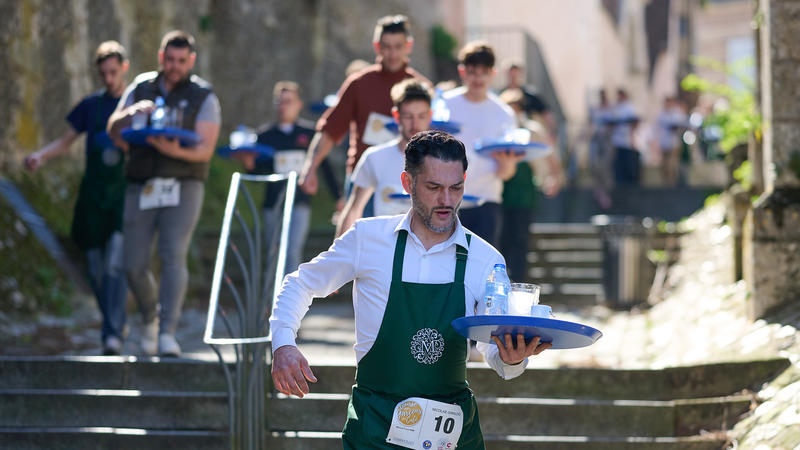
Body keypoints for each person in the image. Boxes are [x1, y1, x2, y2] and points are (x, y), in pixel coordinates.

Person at [270, 130, 551, 449]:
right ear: (408, 183)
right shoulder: (368, 239)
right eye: (434, 188)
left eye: (455, 187)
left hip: (452, 432)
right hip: (376, 426)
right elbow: (300, 283)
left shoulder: (485, 259)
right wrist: (283, 343)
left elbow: (493, 352)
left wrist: (513, 359)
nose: (447, 200)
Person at [107, 30, 221, 357]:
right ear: (161, 56)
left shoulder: (204, 95)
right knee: (133, 264)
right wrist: (129, 115)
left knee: (173, 254)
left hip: (183, 184)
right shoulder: (141, 86)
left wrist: (171, 148)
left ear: (192, 61)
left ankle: (168, 331)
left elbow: (204, 150)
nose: (174, 66)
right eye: (169, 59)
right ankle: (149, 317)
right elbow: (113, 127)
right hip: (141, 183)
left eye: (181, 61)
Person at [24, 41, 130, 356]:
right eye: (103, 73)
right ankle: (114, 323)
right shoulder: (90, 106)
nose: (109, 79)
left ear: (124, 67)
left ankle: (113, 334)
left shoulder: (136, 103)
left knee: (114, 266)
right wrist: (40, 156)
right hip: (93, 197)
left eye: (113, 71)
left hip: (123, 198)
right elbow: (66, 141)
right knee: (95, 269)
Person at [298, 14, 431, 197]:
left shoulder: (422, 88)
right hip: (364, 179)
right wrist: (310, 168)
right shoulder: (359, 83)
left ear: (409, 46)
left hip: (408, 181)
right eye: (386, 47)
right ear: (377, 47)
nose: (392, 54)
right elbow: (330, 129)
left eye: (398, 47)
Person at [232, 81, 342, 289]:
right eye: (280, 102)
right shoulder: (265, 135)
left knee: (292, 252)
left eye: (288, 101)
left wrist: (338, 197)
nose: (284, 106)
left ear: (299, 103)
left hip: (300, 202)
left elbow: (325, 167)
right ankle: (269, 300)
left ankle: (289, 304)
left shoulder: (310, 134)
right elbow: (259, 169)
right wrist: (248, 165)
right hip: (273, 203)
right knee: (272, 252)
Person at [443, 41, 523, 247]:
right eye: (472, 71)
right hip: (446, 200)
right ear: (462, 71)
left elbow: (507, 172)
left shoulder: (504, 113)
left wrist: (507, 164)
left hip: (487, 201)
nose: (478, 78)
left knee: (481, 271)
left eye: (484, 72)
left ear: (493, 73)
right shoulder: (444, 104)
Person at [336, 79, 433, 237]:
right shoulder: (375, 157)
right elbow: (354, 210)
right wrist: (337, 255)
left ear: (430, 115)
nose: (415, 124)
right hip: (383, 246)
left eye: (421, 116)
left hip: (425, 248)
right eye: (408, 116)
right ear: (396, 115)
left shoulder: (441, 160)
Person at [498, 88, 562, 281]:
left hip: (524, 192)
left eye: (517, 108)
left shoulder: (533, 130)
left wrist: (555, 177)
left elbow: (550, 155)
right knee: (502, 238)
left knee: (520, 238)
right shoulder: (499, 129)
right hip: (500, 190)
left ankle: (518, 280)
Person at [588, 89, 614, 208]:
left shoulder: (611, 110)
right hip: (596, 139)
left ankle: (605, 193)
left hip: (606, 140)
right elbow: (591, 124)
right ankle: (598, 190)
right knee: (594, 165)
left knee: (605, 167)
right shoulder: (595, 110)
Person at [610, 88, 640, 185]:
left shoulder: (629, 108)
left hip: (626, 140)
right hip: (617, 140)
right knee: (619, 164)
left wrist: (632, 137)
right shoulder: (616, 107)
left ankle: (629, 183)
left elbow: (634, 122)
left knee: (628, 164)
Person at [656, 97, 688, 186]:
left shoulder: (677, 114)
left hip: (674, 142)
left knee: (672, 164)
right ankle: (665, 183)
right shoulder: (661, 115)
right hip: (664, 142)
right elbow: (657, 129)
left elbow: (683, 125)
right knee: (664, 165)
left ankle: (672, 183)